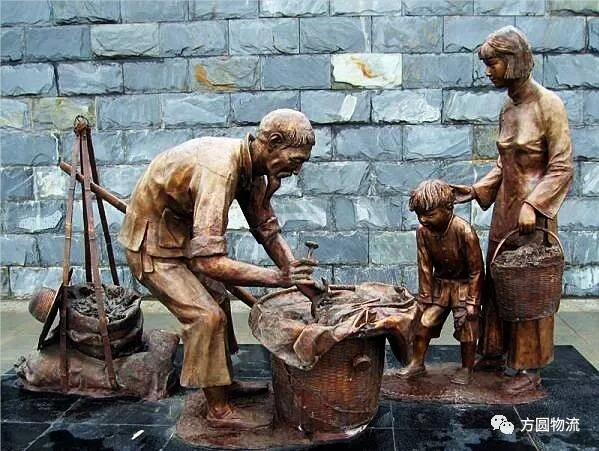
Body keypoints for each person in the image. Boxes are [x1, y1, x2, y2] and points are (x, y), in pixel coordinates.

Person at [118, 109, 319, 428]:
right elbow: (208, 262)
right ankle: (218, 411)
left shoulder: (252, 169)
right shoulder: (220, 170)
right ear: (272, 142)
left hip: (181, 239)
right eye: (295, 160)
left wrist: (300, 280)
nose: (297, 170)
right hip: (152, 248)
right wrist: (277, 278)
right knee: (206, 317)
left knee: (219, 297)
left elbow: (266, 229)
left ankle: (222, 383)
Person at [452, 26, 573, 393]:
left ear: (515, 61)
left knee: (528, 287)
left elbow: (562, 166)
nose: (488, 71)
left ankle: (527, 367)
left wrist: (534, 205)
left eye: (493, 64)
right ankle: (496, 351)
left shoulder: (549, 105)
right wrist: (477, 190)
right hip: (505, 209)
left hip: (532, 217)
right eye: (487, 64)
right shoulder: (507, 107)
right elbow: (504, 164)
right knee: (498, 283)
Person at [398, 179, 484, 385]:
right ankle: (417, 363)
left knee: (467, 328)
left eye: (429, 214)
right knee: (424, 323)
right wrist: (424, 297)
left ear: (448, 208)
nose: (423, 220)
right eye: (419, 215)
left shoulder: (464, 231)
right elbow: (425, 266)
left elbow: (476, 270)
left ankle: (466, 368)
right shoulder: (423, 232)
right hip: (440, 286)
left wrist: (473, 301)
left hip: (464, 286)